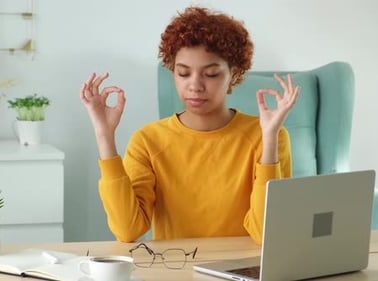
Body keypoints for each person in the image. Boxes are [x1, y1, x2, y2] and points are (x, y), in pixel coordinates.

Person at [79, 6, 299, 245]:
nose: (195, 86)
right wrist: (104, 135)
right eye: (183, 74)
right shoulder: (148, 141)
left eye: (211, 74)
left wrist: (268, 142)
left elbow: (264, 234)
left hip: (244, 271)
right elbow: (128, 230)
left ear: (234, 76)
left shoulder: (269, 136)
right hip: (176, 269)